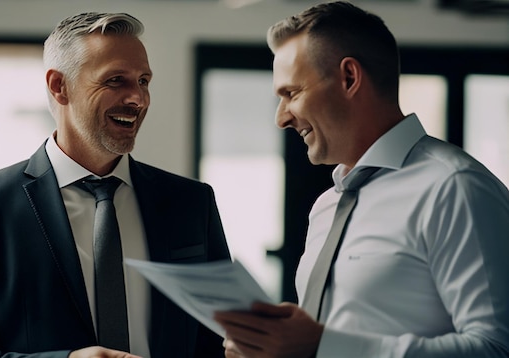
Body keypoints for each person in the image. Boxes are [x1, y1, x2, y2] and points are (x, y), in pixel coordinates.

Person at [0, 12, 230, 358]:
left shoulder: (192, 202)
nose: (137, 98)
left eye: (143, 81)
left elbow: (221, 337)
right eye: (115, 80)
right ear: (59, 86)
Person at [214, 2, 509, 357]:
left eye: (291, 94)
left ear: (349, 78)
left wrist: (322, 345)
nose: (281, 118)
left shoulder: (455, 187)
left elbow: (496, 347)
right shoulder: (328, 205)